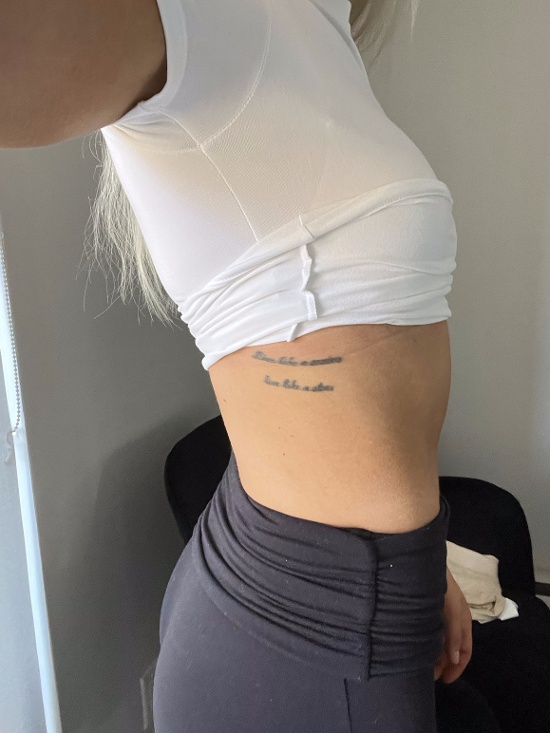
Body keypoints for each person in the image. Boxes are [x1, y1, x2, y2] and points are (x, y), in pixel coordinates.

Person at [1, 0, 473, 730]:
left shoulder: (317, 21)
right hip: (305, 636)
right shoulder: (196, 15)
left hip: (345, 588)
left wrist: (416, 560)